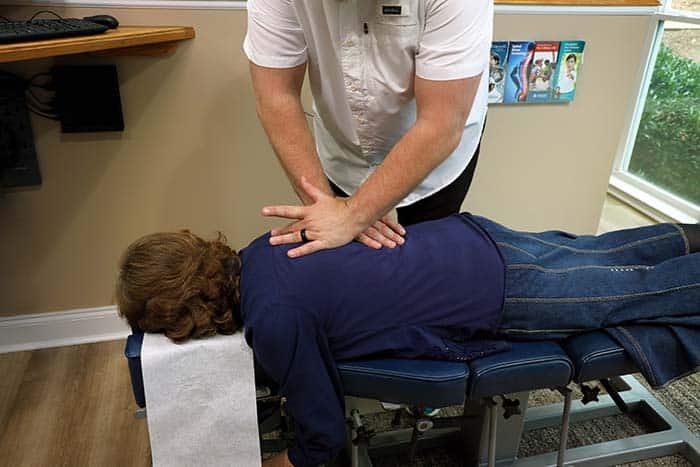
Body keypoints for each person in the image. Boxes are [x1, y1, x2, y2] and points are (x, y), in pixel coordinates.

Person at [116, 215, 700, 467]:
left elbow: (323, 436)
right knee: (607, 255)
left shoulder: (273, 321)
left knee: (639, 292)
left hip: (495, 292)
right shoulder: (262, 248)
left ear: (182, 313)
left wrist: (283, 460)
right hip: (471, 239)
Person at [245, 0, 494, 259]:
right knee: (346, 257)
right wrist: (329, 211)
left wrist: (353, 214)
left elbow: (440, 123)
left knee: (425, 262)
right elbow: (277, 97)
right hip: (343, 147)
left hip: (435, 151)